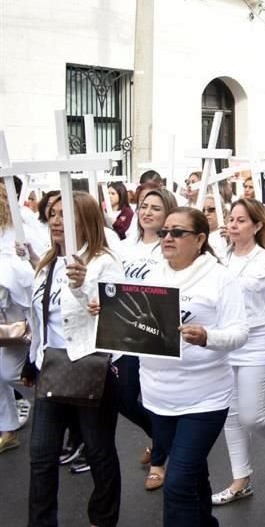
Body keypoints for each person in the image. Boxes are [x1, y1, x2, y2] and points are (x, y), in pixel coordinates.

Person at [136, 206, 248, 526]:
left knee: (178, 483)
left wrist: (208, 336)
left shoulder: (220, 278)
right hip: (158, 396)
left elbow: (240, 332)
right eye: (164, 232)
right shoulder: (152, 276)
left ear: (199, 239)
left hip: (204, 398)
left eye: (177, 232)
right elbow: (138, 326)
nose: (167, 238)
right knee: (194, 474)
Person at [25, 191, 125, 527]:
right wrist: (32, 359)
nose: (55, 221)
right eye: (52, 214)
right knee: (41, 455)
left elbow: (117, 316)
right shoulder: (47, 262)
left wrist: (85, 288)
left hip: (90, 368)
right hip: (51, 368)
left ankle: (103, 519)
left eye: (64, 215)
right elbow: (41, 317)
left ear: (85, 220)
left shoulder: (103, 262)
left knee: (98, 451)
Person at [211, 199, 265, 505]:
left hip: (258, 339)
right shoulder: (219, 258)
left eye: (241, 220)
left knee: (252, 415)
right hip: (225, 341)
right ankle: (241, 480)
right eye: (231, 219)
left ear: (257, 225)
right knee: (231, 415)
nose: (233, 225)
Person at [117, 186, 179, 490]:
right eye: (143, 206)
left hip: (157, 335)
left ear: (168, 212)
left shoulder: (171, 247)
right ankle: (159, 436)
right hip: (126, 334)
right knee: (123, 397)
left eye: (155, 207)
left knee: (157, 400)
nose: (147, 212)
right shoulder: (123, 248)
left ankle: (158, 462)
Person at [1, 186, 32, 455]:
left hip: (18, 313)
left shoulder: (20, 225)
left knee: (10, 372)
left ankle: (62, 391)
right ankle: (7, 428)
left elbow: (24, 269)